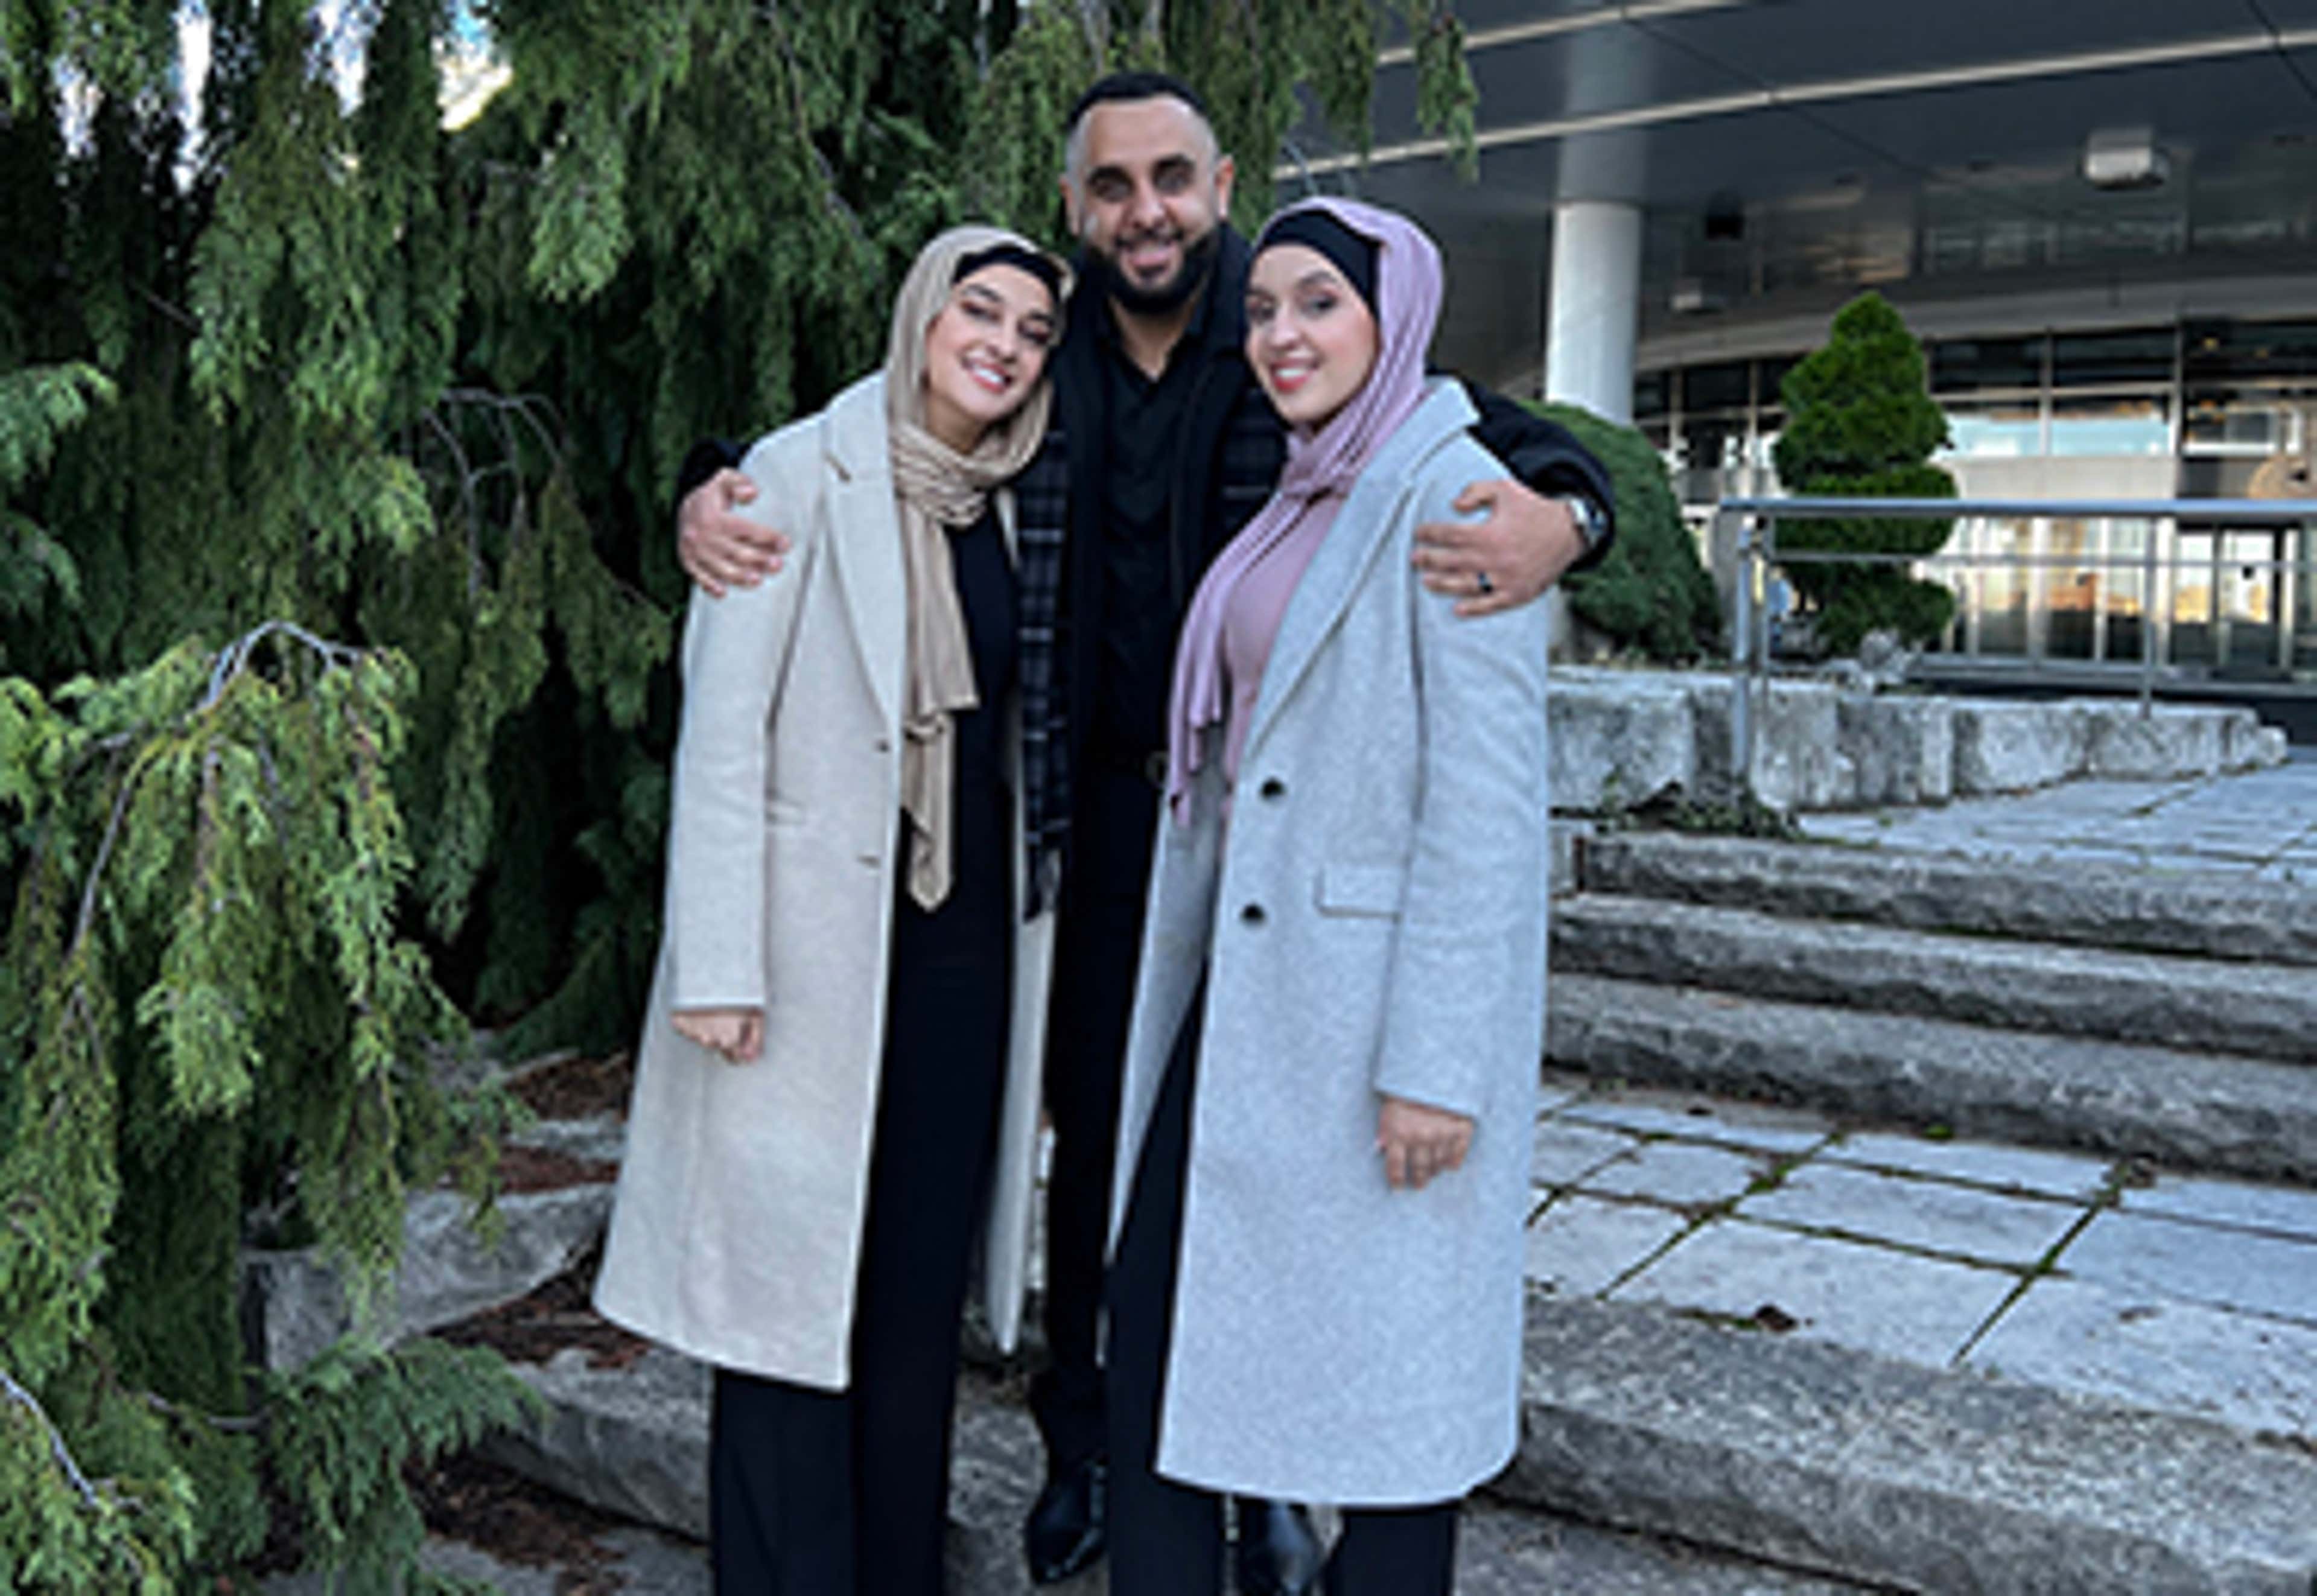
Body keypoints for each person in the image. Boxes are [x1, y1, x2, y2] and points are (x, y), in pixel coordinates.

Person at [675, 73, 1613, 1591]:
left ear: (1218, 181)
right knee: (1096, 1156)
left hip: (1245, 844)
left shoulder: (1293, 324)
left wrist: (1577, 517)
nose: (1146, 210)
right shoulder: (1036, 359)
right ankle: (1083, 1450)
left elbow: (1491, 433)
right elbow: (867, 440)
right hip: (1063, 835)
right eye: (1113, 186)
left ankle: (1262, 1502)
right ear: (1077, 206)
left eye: (1172, 178)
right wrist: (696, 497)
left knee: (1242, 1179)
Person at [594, 224, 1072, 1595]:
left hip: (960, 950)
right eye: (978, 310)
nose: (1004, 343)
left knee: (911, 1301)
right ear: (923, 316)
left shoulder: (1013, 494)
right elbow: (723, 738)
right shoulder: (795, 473)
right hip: (802, 957)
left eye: (1033, 330)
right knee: (784, 1305)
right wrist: (718, 965)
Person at [1103, 196, 1551, 1596]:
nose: (1282, 334)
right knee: (1160, 1326)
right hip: (1245, 988)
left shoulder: (1459, 494)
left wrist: (1436, 1065)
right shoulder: (1303, 485)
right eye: (1265, 307)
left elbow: (1486, 816)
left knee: (1393, 1393)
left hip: (1369, 1020)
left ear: (1394, 317)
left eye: (1321, 304)